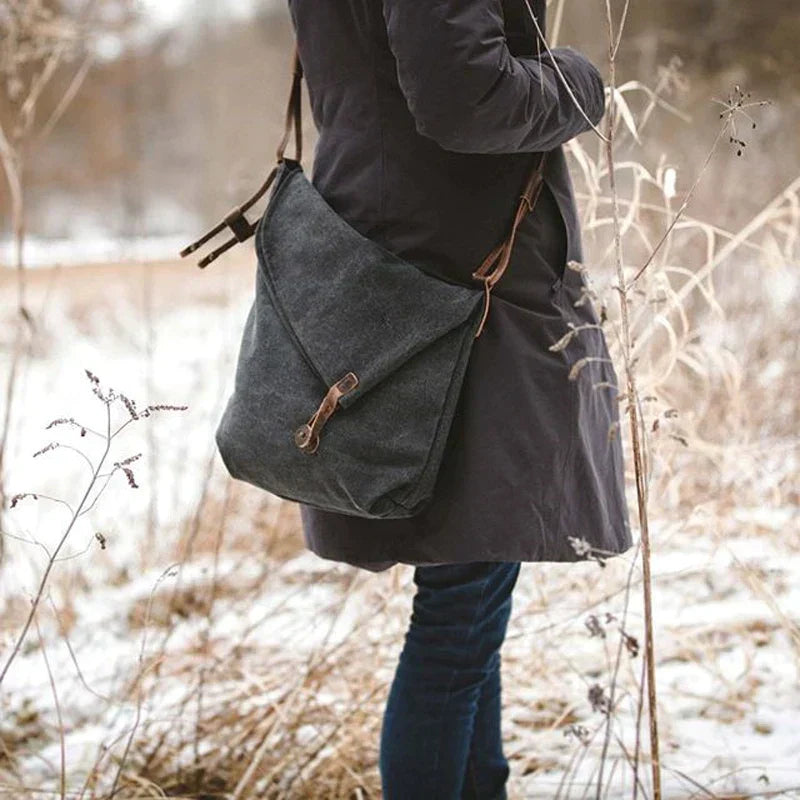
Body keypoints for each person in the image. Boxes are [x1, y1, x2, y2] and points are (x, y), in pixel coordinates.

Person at [286, 0, 634, 796]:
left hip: (400, 258)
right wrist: (579, 81)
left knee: (465, 596)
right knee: (459, 610)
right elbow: (462, 95)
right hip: (456, 281)